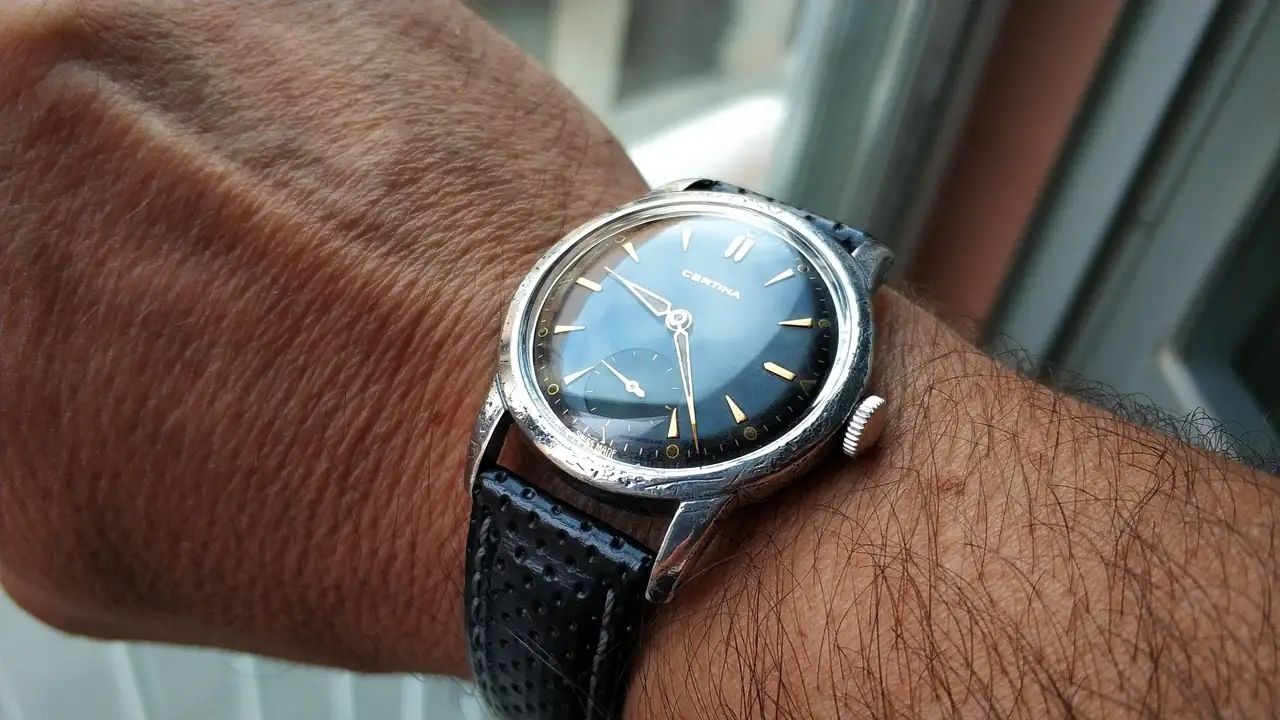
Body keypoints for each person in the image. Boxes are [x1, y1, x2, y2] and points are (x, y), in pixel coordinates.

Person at [1, 1, 1276, 717]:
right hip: (583, 400)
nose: (676, 321)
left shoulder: (793, 434)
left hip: (680, 472)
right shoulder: (607, 338)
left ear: (857, 418)